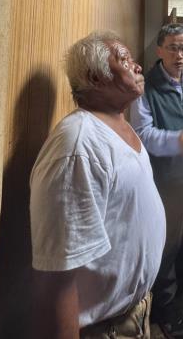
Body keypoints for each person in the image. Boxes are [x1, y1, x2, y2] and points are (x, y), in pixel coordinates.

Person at [29, 31, 166, 339]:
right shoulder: (77, 147)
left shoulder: (116, 122)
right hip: (102, 330)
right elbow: (56, 279)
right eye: (124, 59)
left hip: (131, 314)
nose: (137, 66)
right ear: (95, 77)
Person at [130, 24, 183, 339]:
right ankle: (164, 302)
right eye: (174, 48)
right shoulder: (145, 88)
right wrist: (179, 140)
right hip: (166, 176)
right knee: (167, 240)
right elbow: (142, 134)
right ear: (159, 50)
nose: (180, 55)